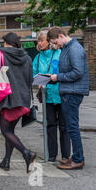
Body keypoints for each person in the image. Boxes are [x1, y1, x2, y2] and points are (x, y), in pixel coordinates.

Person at [0, 32, 36, 173]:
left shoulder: (1, 54)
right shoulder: (26, 57)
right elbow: (30, 79)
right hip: (23, 99)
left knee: (6, 131)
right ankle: (6, 161)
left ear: (7, 43)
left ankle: (27, 153)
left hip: (7, 98)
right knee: (10, 131)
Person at [47, 27, 89, 170]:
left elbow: (78, 72)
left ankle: (78, 159)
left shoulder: (74, 49)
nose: (56, 46)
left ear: (60, 35)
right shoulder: (68, 48)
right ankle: (76, 156)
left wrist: (58, 77)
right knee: (71, 127)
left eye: (56, 43)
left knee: (72, 127)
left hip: (72, 92)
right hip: (69, 91)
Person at [32, 31, 71, 163]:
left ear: (49, 41)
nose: (40, 43)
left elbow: (65, 72)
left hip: (61, 94)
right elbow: (34, 74)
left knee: (64, 126)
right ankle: (52, 154)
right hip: (47, 95)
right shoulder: (37, 58)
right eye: (38, 41)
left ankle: (66, 155)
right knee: (50, 126)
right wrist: (37, 82)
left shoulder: (59, 53)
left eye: (42, 40)